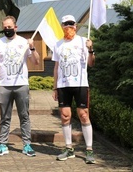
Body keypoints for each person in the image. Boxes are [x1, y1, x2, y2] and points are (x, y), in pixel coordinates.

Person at [0, 16, 39, 157]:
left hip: (21, 84)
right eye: (5, 27)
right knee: (4, 116)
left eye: (10, 27)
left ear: (15, 27)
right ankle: (3, 144)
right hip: (5, 85)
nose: (7, 30)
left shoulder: (24, 42)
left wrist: (32, 47)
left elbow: (36, 61)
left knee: (24, 116)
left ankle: (27, 145)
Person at [53, 15, 96, 164]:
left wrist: (91, 50)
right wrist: (54, 87)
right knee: (65, 116)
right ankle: (69, 148)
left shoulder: (84, 42)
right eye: (65, 24)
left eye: (71, 24)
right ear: (62, 26)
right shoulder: (58, 45)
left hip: (80, 84)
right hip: (63, 85)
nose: (68, 27)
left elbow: (91, 64)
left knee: (83, 115)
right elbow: (57, 67)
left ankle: (89, 150)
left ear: (75, 26)